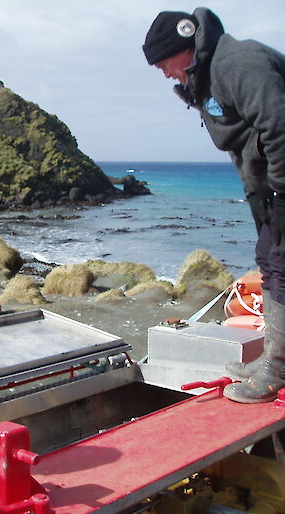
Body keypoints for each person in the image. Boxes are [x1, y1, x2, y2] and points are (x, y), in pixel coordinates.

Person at [143, 8, 285, 404]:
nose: (163, 73)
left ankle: (277, 369)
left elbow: (278, 126)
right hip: (269, 191)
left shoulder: (240, 64)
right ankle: (274, 359)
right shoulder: (205, 77)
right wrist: (259, 196)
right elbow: (246, 142)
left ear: (184, 48)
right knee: (271, 263)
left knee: (284, 266)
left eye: (163, 63)